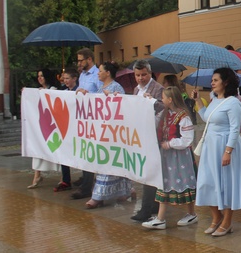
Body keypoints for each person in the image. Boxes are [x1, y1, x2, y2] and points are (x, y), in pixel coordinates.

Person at [192, 68, 241, 237]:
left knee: (227, 183)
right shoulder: (214, 99)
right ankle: (216, 216)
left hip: (225, 144)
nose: (212, 83)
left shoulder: (233, 102)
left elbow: (234, 129)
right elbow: (206, 118)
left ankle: (227, 221)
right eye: (212, 80)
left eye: (215, 80)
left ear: (225, 82)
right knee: (207, 181)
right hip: (211, 145)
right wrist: (198, 102)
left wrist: (228, 151)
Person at [142, 87, 198, 230]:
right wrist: (147, 101)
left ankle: (191, 213)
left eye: (164, 97)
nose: (162, 99)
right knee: (164, 182)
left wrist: (170, 143)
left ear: (170, 99)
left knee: (185, 181)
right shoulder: (165, 113)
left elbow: (187, 139)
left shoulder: (183, 116)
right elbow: (152, 120)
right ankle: (161, 218)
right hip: (167, 156)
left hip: (179, 157)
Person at [84, 62, 134, 209]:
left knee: (108, 164)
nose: (98, 73)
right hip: (101, 132)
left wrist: (111, 98)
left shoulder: (116, 87)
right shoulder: (100, 88)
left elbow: (123, 107)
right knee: (106, 164)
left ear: (107, 73)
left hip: (113, 133)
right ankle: (125, 190)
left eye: (100, 71)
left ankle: (98, 196)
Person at [130, 59, 166, 222]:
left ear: (150, 73)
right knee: (147, 171)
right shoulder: (136, 89)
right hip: (141, 134)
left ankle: (146, 209)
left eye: (143, 74)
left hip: (155, 135)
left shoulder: (158, 88)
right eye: (137, 75)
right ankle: (153, 205)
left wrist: (151, 101)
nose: (140, 78)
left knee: (149, 172)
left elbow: (164, 107)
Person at [70, 49, 103, 199]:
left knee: (91, 153)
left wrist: (88, 94)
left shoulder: (97, 75)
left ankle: (88, 186)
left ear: (89, 59)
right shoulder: (82, 75)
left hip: (94, 119)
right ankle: (86, 181)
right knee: (85, 151)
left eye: (81, 60)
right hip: (83, 119)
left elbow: (102, 95)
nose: (79, 63)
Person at [28, 68, 60, 189]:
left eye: (42, 75)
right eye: (38, 76)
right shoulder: (38, 90)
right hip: (41, 125)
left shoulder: (53, 90)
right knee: (37, 149)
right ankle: (37, 175)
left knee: (57, 149)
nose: (39, 78)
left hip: (52, 125)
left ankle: (63, 177)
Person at [55, 68, 79, 192]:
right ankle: (66, 179)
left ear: (74, 79)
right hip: (66, 126)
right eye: (64, 79)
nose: (65, 81)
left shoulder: (79, 91)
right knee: (64, 152)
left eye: (67, 78)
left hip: (77, 127)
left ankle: (86, 180)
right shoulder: (63, 92)